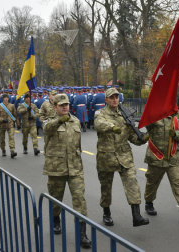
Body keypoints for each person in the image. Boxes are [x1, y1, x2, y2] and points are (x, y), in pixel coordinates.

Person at [94, 88, 149, 227]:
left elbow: (133, 138)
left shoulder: (125, 114)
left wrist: (145, 137)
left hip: (124, 155)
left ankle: (136, 216)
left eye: (116, 97)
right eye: (111, 97)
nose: (114, 100)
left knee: (132, 183)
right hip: (106, 156)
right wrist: (112, 127)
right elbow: (99, 124)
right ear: (106, 100)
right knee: (106, 187)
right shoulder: (101, 113)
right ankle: (106, 212)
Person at [42, 94, 91, 248]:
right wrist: (58, 121)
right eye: (61, 105)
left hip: (75, 168)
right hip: (56, 168)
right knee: (56, 200)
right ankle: (56, 219)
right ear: (55, 107)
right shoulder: (49, 121)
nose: (65, 107)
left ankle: (82, 233)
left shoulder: (75, 120)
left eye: (66, 104)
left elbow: (78, 145)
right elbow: (47, 129)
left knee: (80, 199)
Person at [144, 114, 179, 221]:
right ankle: (149, 202)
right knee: (152, 183)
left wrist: (175, 134)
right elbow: (147, 124)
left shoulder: (174, 118)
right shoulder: (153, 117)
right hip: (157, 157)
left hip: (173, 157)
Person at [0, 94, 17, 158]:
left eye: (7, 98)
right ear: (3, 99)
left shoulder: (12, 106)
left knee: (11, 137)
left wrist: (17, 123)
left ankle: (12, 150)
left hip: (10, 124)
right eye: (5, 98)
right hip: (2, 125)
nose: (6, 99)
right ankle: (3, 150)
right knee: (2, 139)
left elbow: (15, 115)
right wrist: (1, 119)